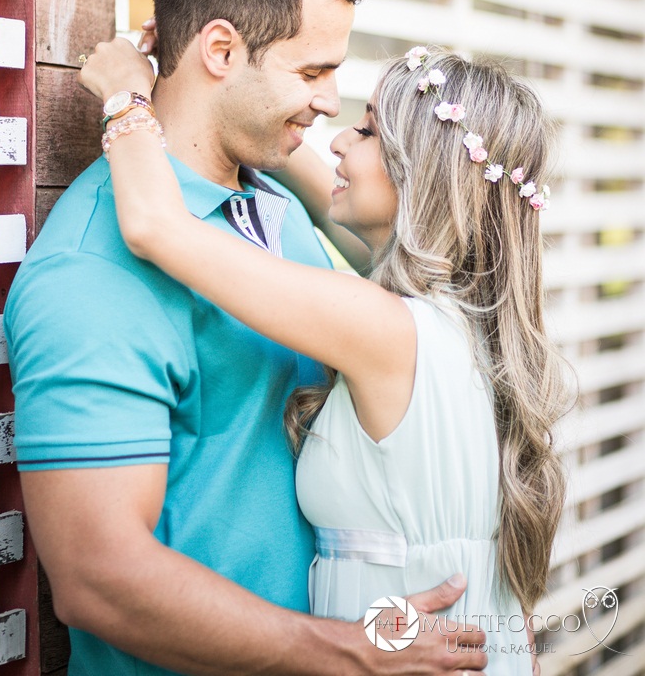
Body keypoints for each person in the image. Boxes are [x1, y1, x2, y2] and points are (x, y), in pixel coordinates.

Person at [4, 0, 487, 676]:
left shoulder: (278, 209)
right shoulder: (89, 273)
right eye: (313, 71)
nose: (332, 102)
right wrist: (345, 652)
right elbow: (99, 582)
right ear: (221, 50)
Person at [78, 33, 571, 673]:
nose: (335, 139)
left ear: (421, 173)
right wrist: (234, 100)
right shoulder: (472, 324)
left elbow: (155, 226)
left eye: (366, 132)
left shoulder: (383, 328)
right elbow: (311, 175)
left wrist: (127, 94)